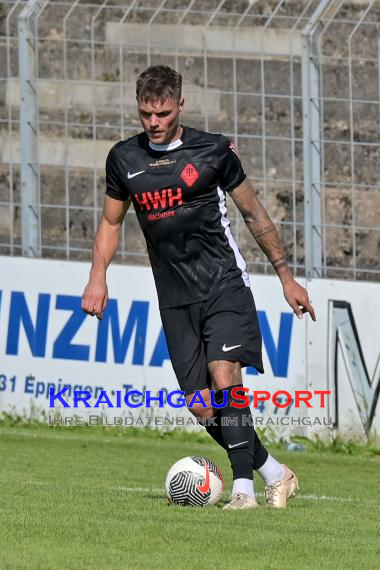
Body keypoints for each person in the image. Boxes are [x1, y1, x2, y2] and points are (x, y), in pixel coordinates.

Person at [81, 65, 316, 510]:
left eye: (163, 113)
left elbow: (254, 214)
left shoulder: (213, 151)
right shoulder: (124, 159)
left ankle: (243, 491)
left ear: (180, 106)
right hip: (174, 295)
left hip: (223, 282)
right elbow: (111, 222)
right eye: (146, 113)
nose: (153, 122)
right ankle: (275, 473)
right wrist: (98, 276)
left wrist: (286, 276)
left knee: (225, 374)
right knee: (203, 406)